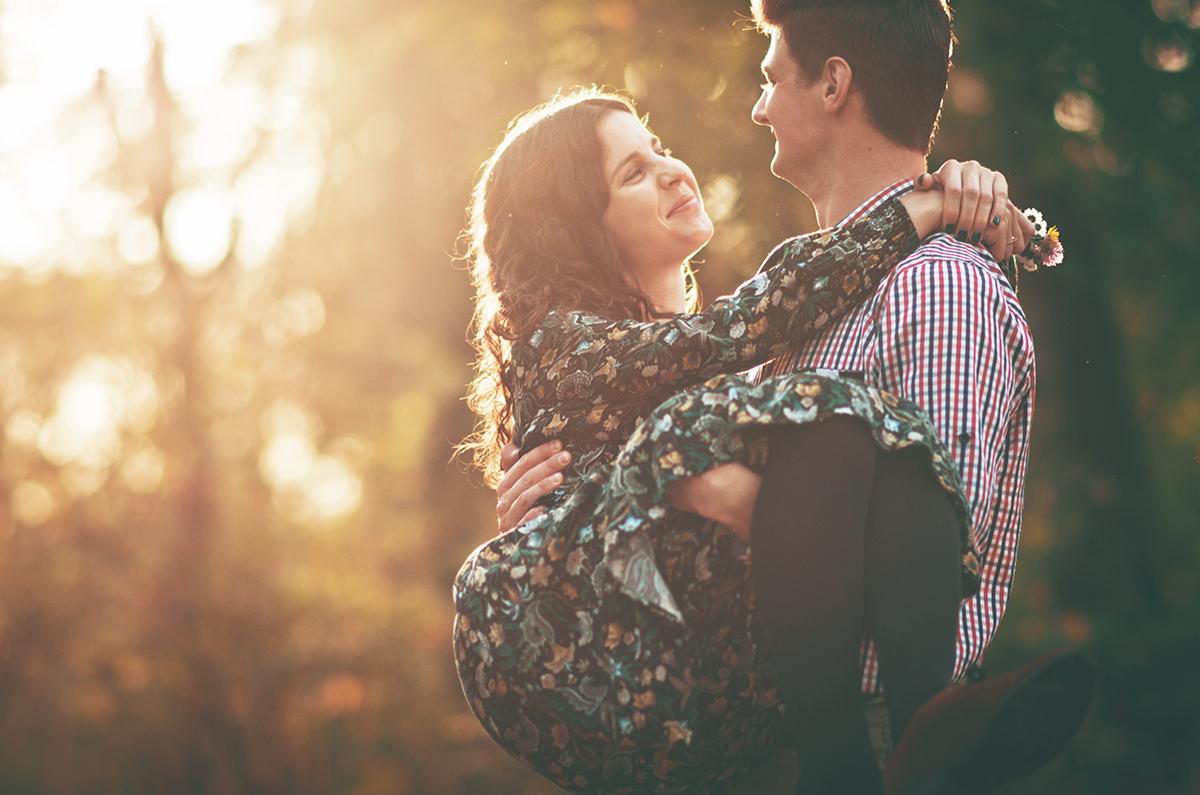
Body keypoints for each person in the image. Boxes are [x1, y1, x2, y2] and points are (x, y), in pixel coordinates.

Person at [490, 1, 1095, 793]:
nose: (757, 104)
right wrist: (564, 522)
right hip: (763, 735)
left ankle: (935, 720)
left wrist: (708, 493)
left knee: (860, 440)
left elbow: (930, 537)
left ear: (834, 84)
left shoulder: (938, 285)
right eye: (632, 170)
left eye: (771, 78)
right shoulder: (783, 309)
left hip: (877, 732)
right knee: (838, 432)